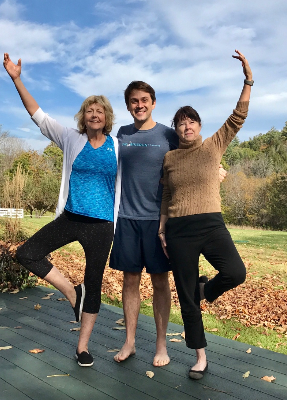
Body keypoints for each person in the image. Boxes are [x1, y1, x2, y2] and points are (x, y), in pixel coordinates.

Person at [3, 53, 122, 367]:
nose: (94, 114)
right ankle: (72, 293)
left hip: (101, 225)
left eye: (100, 111)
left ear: (107, 117)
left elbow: (153, 162)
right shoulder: (71, 138)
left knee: (94, 283)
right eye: (89, 110)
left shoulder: (118, 145)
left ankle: (82, 347)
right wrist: (16, 78)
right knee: (27, 253)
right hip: (70, 218)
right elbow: (38, 115)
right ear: (82, 117)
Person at [110, 81, 227, 367]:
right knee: (130, 281)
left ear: (153, 103)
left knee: (161, 282)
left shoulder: (167, 134)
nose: (140, 105)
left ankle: (161, 346)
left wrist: (217, 171)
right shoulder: (121, 134)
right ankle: (130, 342)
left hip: (160, 221)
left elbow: (195, 154)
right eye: (134, 101)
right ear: (128, 105)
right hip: (127, 217)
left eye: (145, 100)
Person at [158, 50, 252, 379]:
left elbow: (238, 116)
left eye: (191, 121)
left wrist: (248, 80)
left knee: (235, 272)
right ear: (177, 129)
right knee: (185, 296)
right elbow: (167, 195)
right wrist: (162, 231)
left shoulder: (214, 145)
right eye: (181, 123)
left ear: (199, 125)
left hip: (212, 225)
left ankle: (206, 291)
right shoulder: (170, 158)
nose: (186, 126)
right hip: (179, 230)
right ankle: (200, 357)